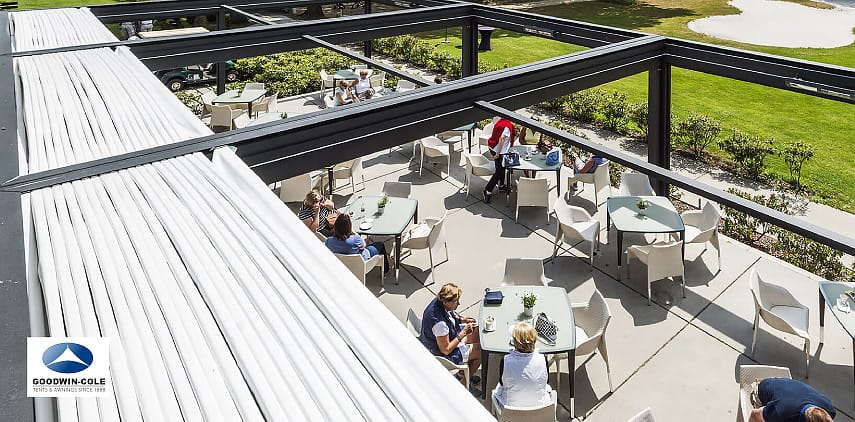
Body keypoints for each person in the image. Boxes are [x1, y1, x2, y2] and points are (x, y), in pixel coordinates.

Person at [420, 283, 481, 385]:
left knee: (477, 332)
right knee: (480, 351)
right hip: (443, 355)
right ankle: (463, 383)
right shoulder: (440, 324)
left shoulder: (439, 301)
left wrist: (461, 320)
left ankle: (463, 372)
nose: (459, 304)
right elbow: (446, 350)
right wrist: (464, 333)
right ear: (446, 302)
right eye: (456, 302)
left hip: (450, 335)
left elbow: (449, 316)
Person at [493, 322, 554, 412]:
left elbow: (502, 383)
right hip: (539, 410)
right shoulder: (542, 359)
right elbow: (546, 381)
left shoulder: (506, 360)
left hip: (511, 410)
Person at [325, 213, 390, 273]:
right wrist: (353, 232)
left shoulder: (329, 240)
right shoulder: (355, 239)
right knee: (380, 244)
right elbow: (364, 245)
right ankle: (386, 270)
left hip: (341, 265)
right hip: (361, 264)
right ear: (349, 227)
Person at [749, 378, 834, 422]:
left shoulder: (829, 409)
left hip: (786, 389)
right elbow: (755, 414)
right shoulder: (781, 413)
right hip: (761, 389)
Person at [482, 117, 515, 203]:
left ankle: (501, 185)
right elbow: (501, 139)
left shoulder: (502, 121)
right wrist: (497, 154)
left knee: (502, 167)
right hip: (498, 151)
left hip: (493, 147)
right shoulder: (507, 127)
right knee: (499, 171)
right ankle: (487, 190)